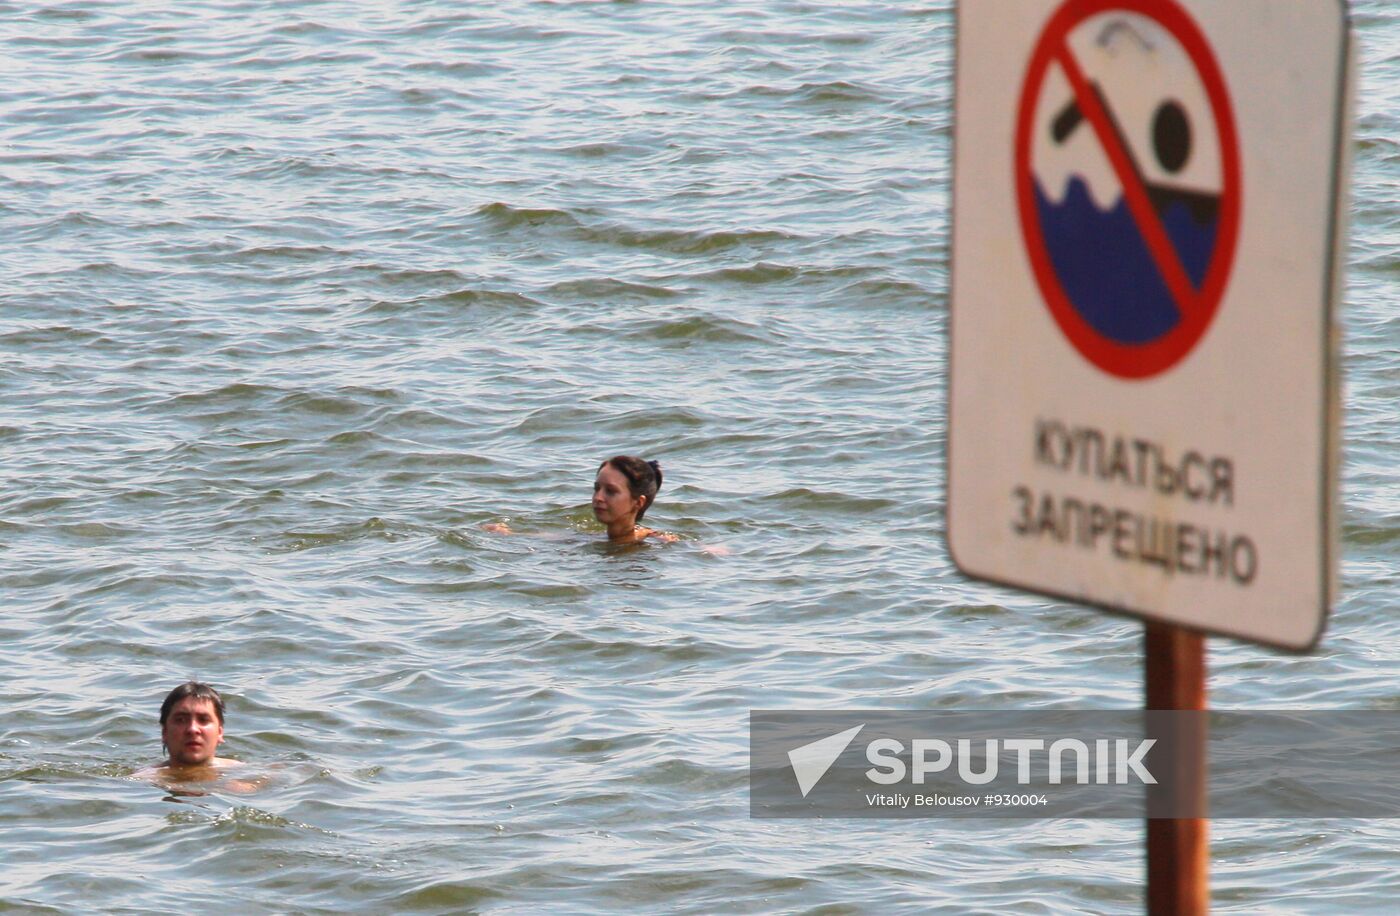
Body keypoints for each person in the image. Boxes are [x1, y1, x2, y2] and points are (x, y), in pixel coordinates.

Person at [136, 681, 259, 791]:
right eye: (180, 720)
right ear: (164, 733)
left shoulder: (248, 776)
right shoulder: (144, 782)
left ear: (220, 732)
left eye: (203, 720)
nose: (192, 729)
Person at [591, 455, 677, 544]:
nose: (598, 497)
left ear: (639, 502)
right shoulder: (589, 538)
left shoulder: (653, 547)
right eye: (597, 488)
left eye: (611, 491)